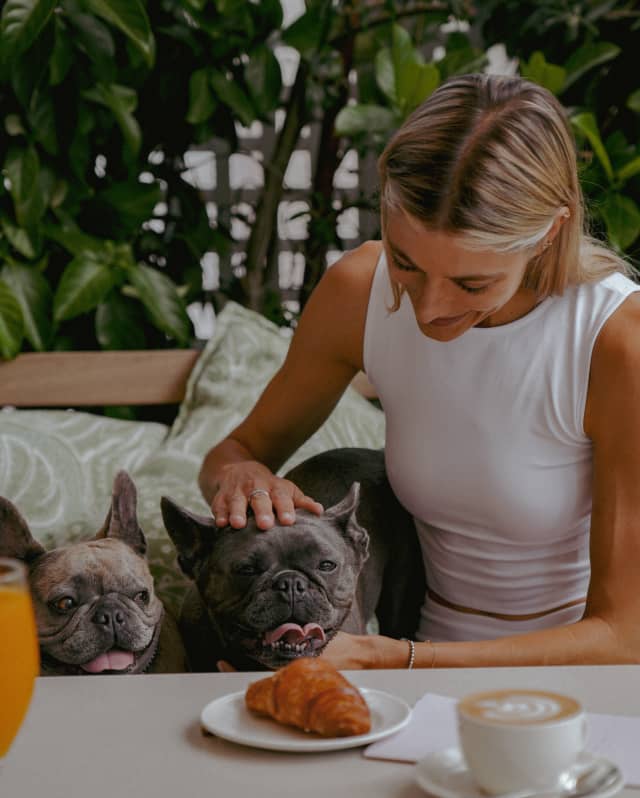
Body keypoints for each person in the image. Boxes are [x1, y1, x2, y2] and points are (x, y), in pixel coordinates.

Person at [199, 73, 640, 669]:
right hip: (414, 660)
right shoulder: (359, 291)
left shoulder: (614, 340)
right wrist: (243, 477)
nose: (428, 308)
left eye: (471, 282)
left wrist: (400, 660)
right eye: (406, 262)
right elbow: (235, 450)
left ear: (548, 235)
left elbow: (623, 638)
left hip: (571, 683)